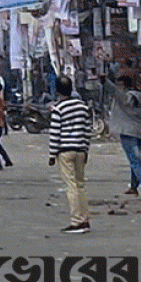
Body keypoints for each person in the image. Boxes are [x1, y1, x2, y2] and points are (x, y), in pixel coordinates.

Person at [48, 76, 93, 233]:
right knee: (81, 185)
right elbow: (88, 130)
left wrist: (52, 154)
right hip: (80, 150)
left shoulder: (58, 109)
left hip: (65, 151)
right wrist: (86, 149)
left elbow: (55, 133)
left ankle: (77, 221)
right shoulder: (83, 107)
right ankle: (85, 218)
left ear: (58, 90)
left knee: (71, 186)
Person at [108, 74, 141, 200]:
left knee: (135, 162)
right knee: (135, 160)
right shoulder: (140, 97)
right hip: (139, 131)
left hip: (128, 132)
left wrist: (105, 81)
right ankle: (134, 187)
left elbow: (115, 92)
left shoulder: (126, 97)